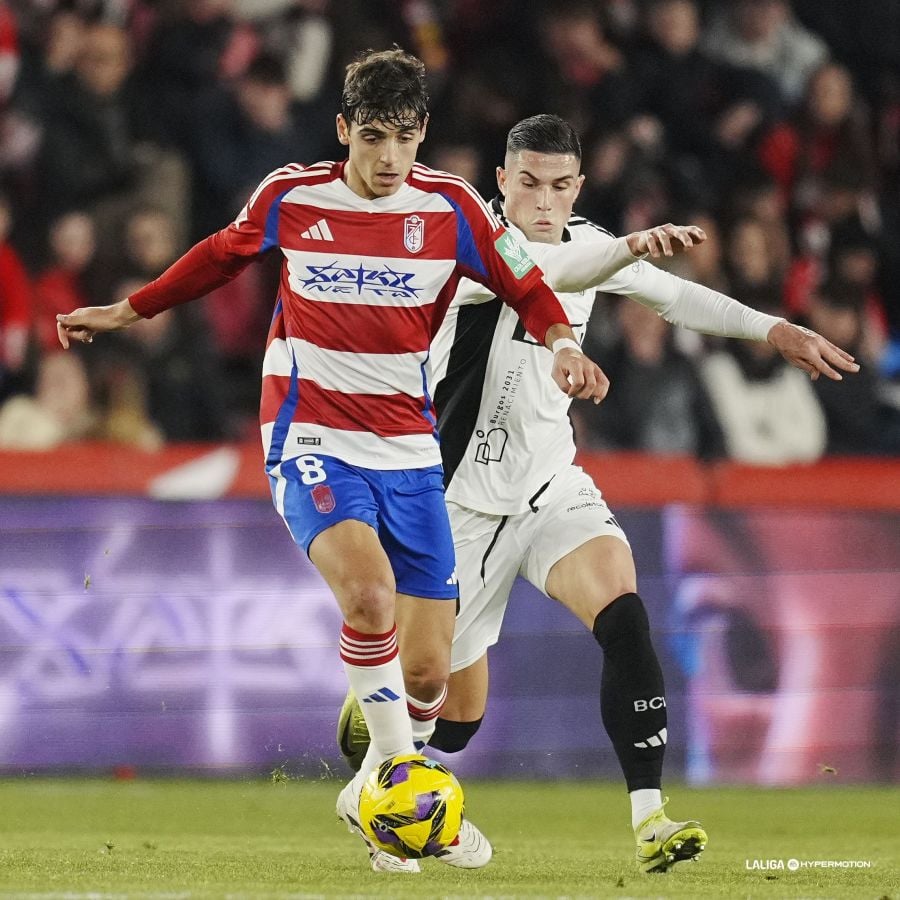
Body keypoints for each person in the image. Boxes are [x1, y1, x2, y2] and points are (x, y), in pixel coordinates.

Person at [55, 49, 620, 875]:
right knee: (367, 593)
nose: (390, 158)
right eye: (374, 137)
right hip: (310, 435)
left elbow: (527, 285)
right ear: (343, 131)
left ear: (423, 133)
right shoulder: (293, 196)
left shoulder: (452, 207)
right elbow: (219, 253)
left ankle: (369, 794)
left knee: (428, 676)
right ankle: (403, 781)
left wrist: (563, 341)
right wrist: (128, 309)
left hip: (412, 450)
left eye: (405, 137)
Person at [337, 113, 859, 873]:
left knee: (623, 609)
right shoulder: (467, 241)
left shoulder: (587, 239)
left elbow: (673, 298)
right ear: (502, 182)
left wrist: (773, 329)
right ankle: (368, 791)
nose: (543, 202)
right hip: (456, 503)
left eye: (558, 187)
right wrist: (621, 254)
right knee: (447, 706)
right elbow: (546, 274)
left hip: (550, 486)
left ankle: (650, 817)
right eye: (528, 184)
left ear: (576, 186)